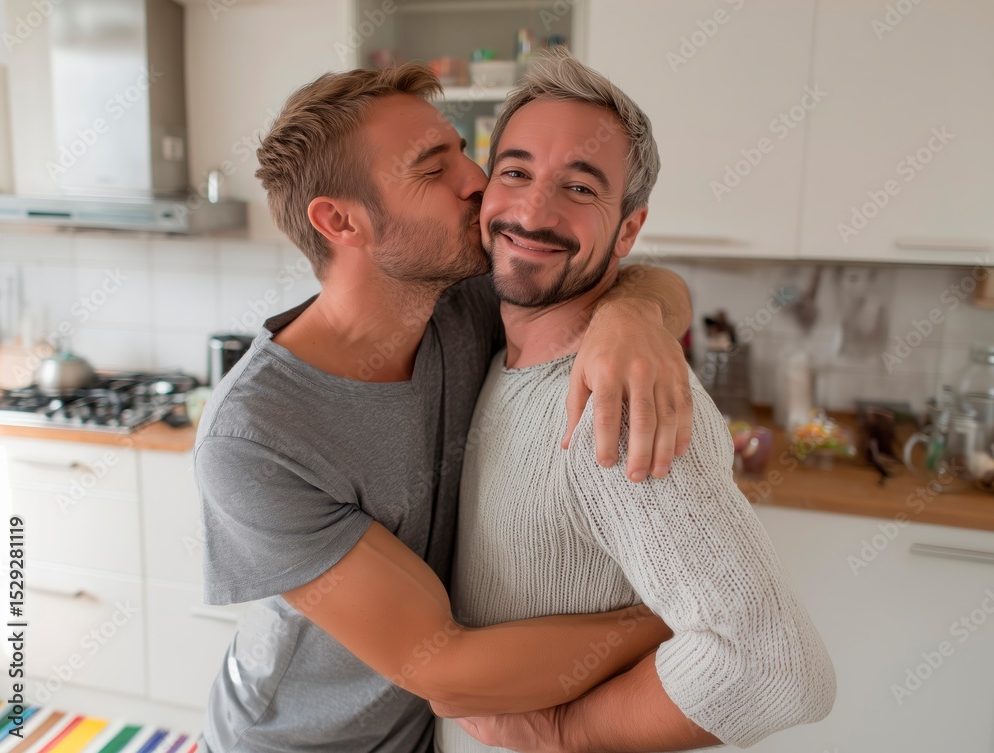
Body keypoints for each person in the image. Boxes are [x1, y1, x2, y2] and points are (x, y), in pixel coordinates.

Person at [194, 62, 696, 753]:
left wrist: (636, 313)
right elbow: (443, 664)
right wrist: (679, 617)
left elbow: (650, 275)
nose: (478, 181)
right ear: (340, 219)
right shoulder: (255, 439)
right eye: (434, 170)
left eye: (464, 150)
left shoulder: (460, 301)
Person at [435, 49, 837, 753]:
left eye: (581, 188)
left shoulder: (615, 406)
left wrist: (566, 731)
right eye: (516, 172)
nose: (532, 209)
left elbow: (774, 668)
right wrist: (643, 303)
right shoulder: (492, 347)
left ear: (627, 229)